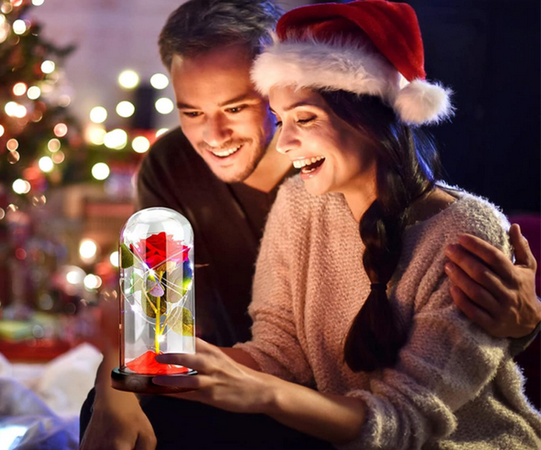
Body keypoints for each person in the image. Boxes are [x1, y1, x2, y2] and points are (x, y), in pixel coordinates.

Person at [79, 1, 540, 448]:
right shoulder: (273, 190)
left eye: (237, 107)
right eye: (192, 112)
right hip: (291, 398)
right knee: (121, 410)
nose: (214, 135)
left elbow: (414, 408)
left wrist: (525, 323)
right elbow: (166, 317)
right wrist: (120, 378)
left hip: (371, 423)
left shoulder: (448, 222)